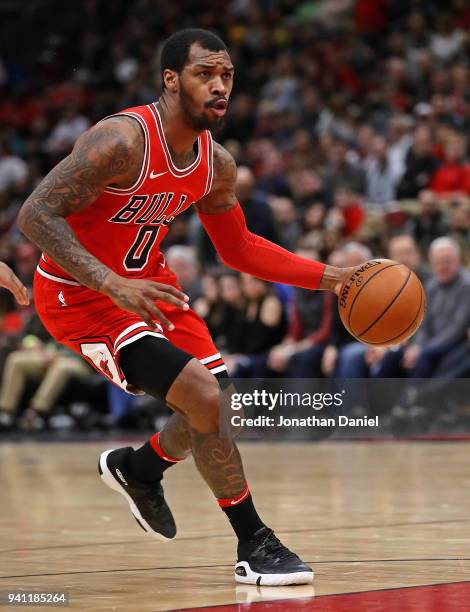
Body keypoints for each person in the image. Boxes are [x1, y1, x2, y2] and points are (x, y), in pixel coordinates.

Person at [17, 29, 353, 586]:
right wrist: (111, 283)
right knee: (203, 399)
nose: (220, 86)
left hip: (152, 289)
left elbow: (239, 247)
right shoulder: (120, 142)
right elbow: (35, 215)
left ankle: (139, 468)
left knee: (225, 412)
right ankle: (254, 542)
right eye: (205, 75)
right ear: (171, 80)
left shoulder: (216, 165)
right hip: (81, 297)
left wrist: (333, 278)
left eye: (226, 76)